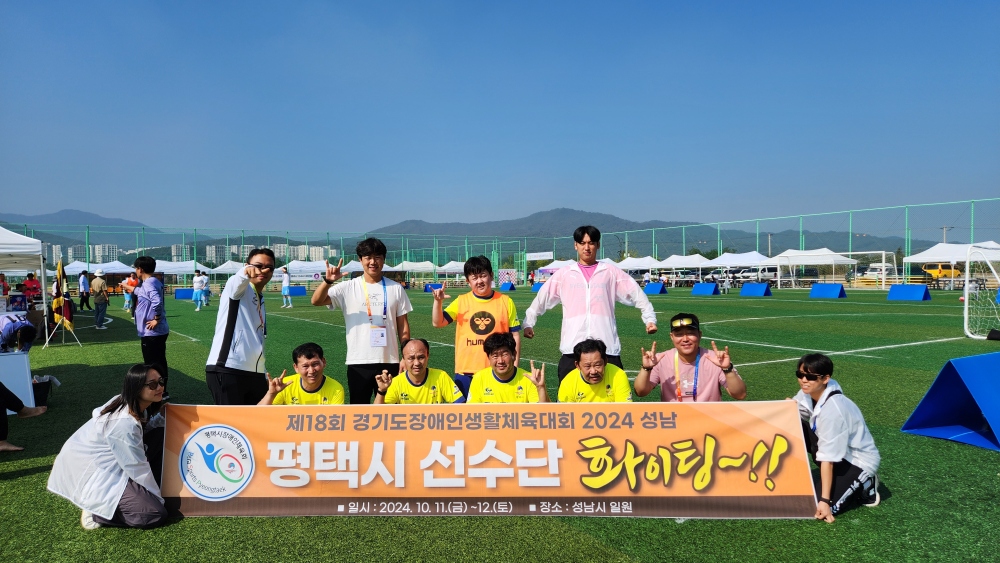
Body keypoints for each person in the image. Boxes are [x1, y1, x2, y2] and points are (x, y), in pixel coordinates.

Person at [522, 225, 657, 382]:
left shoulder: (610, 272)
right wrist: (528, 323)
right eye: (582, 243)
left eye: (591, 243)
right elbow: (541, 299)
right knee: (569, 396)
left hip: (607, 348)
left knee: (613, 394)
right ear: (575, 245)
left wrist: (649, 319)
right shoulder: (565, 274)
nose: (587, 247)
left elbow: (637, 294)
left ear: (598, 245)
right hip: (572, 348)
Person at [47, 364, 168, 529]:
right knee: (155, 513)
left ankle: (132, 495)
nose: (160, 387)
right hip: (95, 472)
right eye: (152, 384)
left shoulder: (131, 403)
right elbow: (137, 467)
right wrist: (158, 497)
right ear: (137, 388)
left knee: (160, 433)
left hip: (109, 460)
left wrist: (161, 417)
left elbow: (143, 432)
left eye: (161, 381)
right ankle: (97, 513)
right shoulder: (124, 423)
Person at [311, 238, 412, 405]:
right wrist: (328, 282)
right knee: (359, 408)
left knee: (389, 410)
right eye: (368, 257)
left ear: (384, 259)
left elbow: (403, 326)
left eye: (377, 257)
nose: (373, 262)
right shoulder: (348, 287)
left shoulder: (396, 288)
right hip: (358, 361)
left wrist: (405, 357)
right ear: (360, 260)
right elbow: (316, 301)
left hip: (390, 360)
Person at [792, 353, 880, 523]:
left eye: (810, 377)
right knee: (790, 420)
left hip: (857, 460)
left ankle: (867, 481)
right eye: (800, 374)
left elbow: (828, 458)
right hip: (835, 450)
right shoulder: (809, 391)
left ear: (826, 379)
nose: (804, 380)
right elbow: (795, 412)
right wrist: (786, 408)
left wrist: (825, 501)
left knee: (816, 507)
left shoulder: (833, 410)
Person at [431, 256, 521, 401]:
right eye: (474, 278)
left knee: (495, 412)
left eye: (483, 275)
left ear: (491, 275)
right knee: (465, 413)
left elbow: (515, 335)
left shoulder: (506, 302)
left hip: (496, 371)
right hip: (466, 371)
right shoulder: (461, 301)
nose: (479, 281)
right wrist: (437, 302)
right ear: (468, 281)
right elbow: (438, 323)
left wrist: (514, 365)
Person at [206, 249, 275, 405]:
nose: (263, 270)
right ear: (246, 265)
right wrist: (245, 272)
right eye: (258, 265)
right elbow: (237, 281)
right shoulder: (238, 288)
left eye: (269, 267)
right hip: (229, 368)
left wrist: (263, 372)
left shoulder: (259, 296)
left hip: (255, 373)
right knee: (231, 421)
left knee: (256, 419)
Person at [633, 313, 747, 402]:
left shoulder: (715, 359)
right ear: (672, 337)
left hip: (709, 419)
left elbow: (740, 394)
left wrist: (727, 369)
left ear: (699, 334)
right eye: (679, 334)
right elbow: (640, 392)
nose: (685, 339)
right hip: (674, 419)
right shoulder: (660, 359)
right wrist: (646, 368)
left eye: (690, 333)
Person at [122, 257, 171, 399]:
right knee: (158, 362)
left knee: (153, 365)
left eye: (136, 268)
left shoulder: (149, 283)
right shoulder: (151, 282)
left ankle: (159, 392)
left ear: (140, 269)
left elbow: (157, 301)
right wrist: (128, 287)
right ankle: (160, 391)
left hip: (153, 332)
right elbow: (141, 292)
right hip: (154, 332)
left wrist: (156, 319)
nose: (135, 271)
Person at [467, 332, 548, 403]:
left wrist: (540, 388)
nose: (500, 361)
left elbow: (542, 413)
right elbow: (471, 411)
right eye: (495, 356)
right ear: (489, 358)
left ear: (514, 355)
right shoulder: (479, 378)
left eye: (504, 355)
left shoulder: (530, 380)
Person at [374, 338, 460, 405]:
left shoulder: (441, 376)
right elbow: (377, 414)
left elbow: (460, 405)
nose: (416, 363)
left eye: (421, 357)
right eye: (411, 358)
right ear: (403, 359)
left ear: (428, 356)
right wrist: (381, 390)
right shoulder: (396, 382)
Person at [258, 342, 345, 405]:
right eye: (305, 366)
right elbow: (257, 416)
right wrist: (271, 394)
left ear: (324, 362)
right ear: (296, 367)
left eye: (315, 364)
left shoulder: (336, 389)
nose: (311, 371)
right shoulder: (285, 385)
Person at [558, 338, 632, 403]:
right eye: (587, 366)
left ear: (605, 361)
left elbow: (625, 410)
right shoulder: (567, 383)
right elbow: (565, 412)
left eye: (597, 365)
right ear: (577, 365)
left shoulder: (618, 375)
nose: (593, 371)